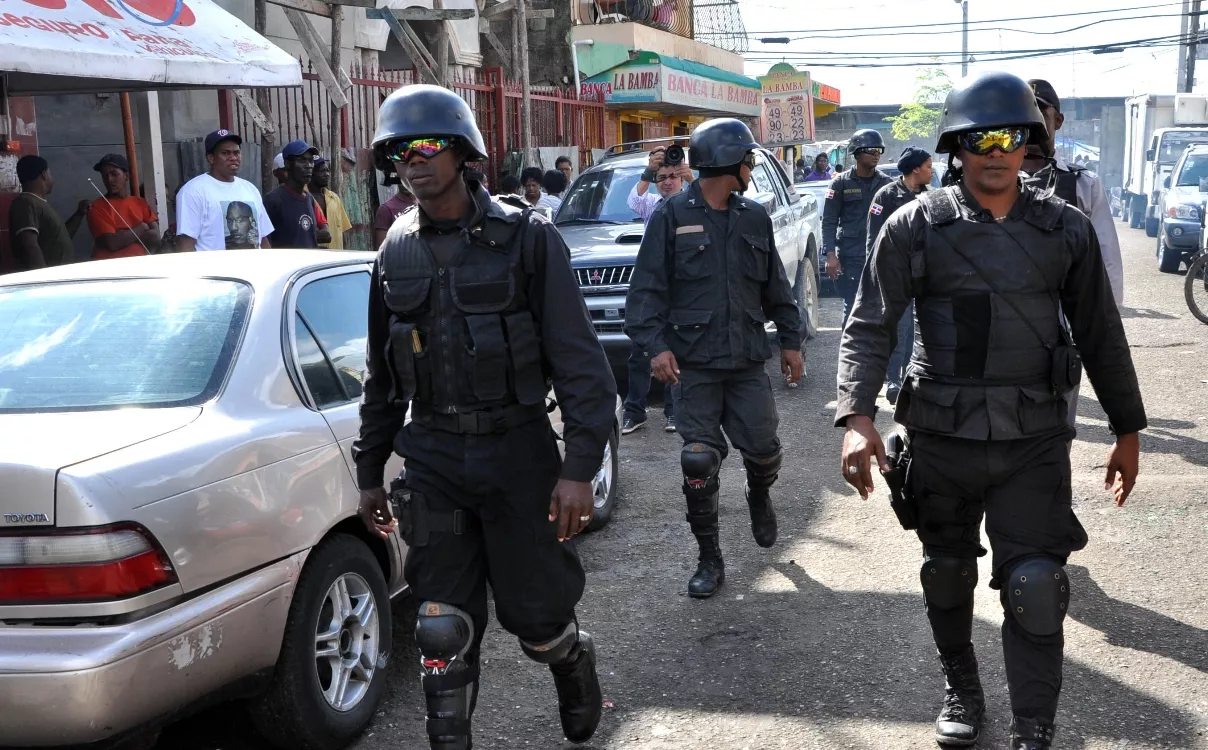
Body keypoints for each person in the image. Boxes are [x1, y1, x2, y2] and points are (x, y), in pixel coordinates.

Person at [836, 71, 1146, 750]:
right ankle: (963, 689)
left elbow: (1099, 330)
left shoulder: (1062, 230)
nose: (996, 150)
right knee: (947, 574)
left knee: (1036, 584)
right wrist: (858, 418)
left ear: (1030, 142)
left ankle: (1033, 725)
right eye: (980, 138)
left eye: (1010, 136)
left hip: (1033, 437)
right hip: (941, 435)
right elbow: (869, 324)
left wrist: (1127, 428)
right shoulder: (913, 225)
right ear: (957, 145)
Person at [353, 84, 616, 750]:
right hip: (435, 458)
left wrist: (580, 467)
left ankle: (570, 659)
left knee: (539, 623)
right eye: (399, 151)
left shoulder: (527, 238)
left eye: (426, 146)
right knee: (441, 631)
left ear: (464, 152)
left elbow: (580, 362)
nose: (412, 161)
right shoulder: (393, 251)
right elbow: (383, 378)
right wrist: (368, 473)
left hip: (519, 455)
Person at [626, 118, 804, 599]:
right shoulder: (669, 216)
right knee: (698, 460)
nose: (751, 167)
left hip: (747, 362)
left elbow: (776, 289)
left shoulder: (754, 218)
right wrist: (656, 348)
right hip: (695, 365)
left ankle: (759, 493)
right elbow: (644, 295)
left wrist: (792, 340)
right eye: (747, 159)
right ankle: (709, 557)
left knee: (764, 451)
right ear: (731, 163)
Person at [621, 145, 694, 434]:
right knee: (640, 353)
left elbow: (714, 199)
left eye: (674, 176)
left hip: (680, 289)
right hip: (652, 288)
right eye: (661, 176)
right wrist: (648, 170)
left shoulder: (692, 201)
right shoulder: (651, 204)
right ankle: (634, 411)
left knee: (673, 350)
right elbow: (632, 198)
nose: (667, 181)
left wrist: (691, 178)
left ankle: (673, 412)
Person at [866, 146, 933, 405]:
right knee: (899, 328)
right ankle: (893, 379)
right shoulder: (886, 196)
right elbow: (873, 239)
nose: (931, 170)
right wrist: (875, 276)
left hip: (925, 276)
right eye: (928, 165)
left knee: (920, 329)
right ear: (915, 168)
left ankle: (912, 376)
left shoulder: (932, 199)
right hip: (897, 276)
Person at [822, 130, 892, 323]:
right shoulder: (840, 184)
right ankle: (850, 351)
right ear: (857, 153)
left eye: (879, 150)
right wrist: (830, 255)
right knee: (853, 305)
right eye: (871, 150)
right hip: (851, 256)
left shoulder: (887, 184)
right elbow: (829, 221)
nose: (876, 154)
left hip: (881, 255)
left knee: (881, 308)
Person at [176, 130, 273, 251]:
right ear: (211, 158)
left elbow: (263, 239)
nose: (233, 158)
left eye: (237, 153)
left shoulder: (250, 189)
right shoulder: (193, 191)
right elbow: (186, 244)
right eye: (226, 153)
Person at [8, 155, 90, 270]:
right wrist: (43, 279)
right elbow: (30, 246)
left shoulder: (38, 203)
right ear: (44, 174)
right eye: (50, 173)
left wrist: (79, 213)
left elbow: (60, 237)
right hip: (48, 281)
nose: (52, 178)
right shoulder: (26, 202)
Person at [86, 153, 160, 259]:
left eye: (114, 174)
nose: (109, 179)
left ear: (126, 176)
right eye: (104, 175)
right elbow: (112, 243)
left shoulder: (140, 203)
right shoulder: (96, 207)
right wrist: (141, 228)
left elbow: (156, 237)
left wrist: (123, 235)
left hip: (139, 266)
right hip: (109, 269)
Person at [263, 139, 331, 248]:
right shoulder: (273, 200)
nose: (309, 166)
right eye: (302, 160)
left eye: (310, 160)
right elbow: (265, 241)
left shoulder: (309, 199)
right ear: (288, 164)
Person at [310, 155, 353, 249]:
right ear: (311, 173)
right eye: (322, 171)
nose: (327, 174)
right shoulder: (304, 198)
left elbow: (343, 230)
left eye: (327, 170)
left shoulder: (334, 198)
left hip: (336, 256)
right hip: (314, 257)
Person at [374, 183, 417, 250]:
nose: (405, 183)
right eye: (401, 179)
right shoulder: (386, 209)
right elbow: (381, 248)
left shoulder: (425, 205)